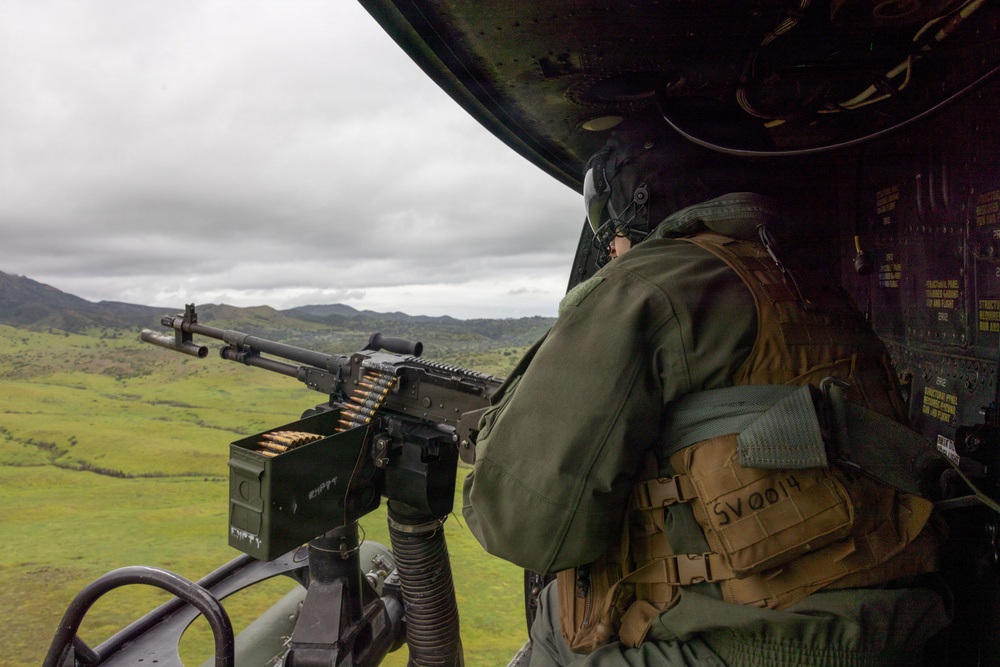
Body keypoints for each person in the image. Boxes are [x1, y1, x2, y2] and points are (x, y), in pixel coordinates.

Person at [462, 102, 951, 666]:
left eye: (615, 231)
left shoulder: (653, 282)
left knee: (557, 619)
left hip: (763, 646)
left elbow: (523, 525)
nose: (612, 248)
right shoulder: (811, 288)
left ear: (644, 206)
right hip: (898, 624)